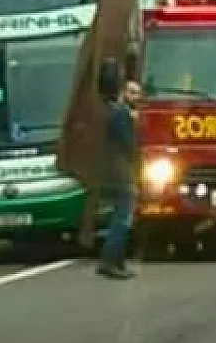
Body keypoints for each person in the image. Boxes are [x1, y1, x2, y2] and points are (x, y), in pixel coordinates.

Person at [97, 59, 139, 280]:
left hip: (107, 169)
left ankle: (116, 262)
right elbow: (129, 144)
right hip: (122, 171)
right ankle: (111, 261)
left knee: (118, 215)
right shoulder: (120, 113)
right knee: (123, 218)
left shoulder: (102, 109)